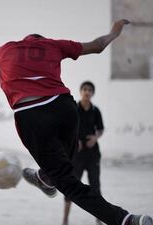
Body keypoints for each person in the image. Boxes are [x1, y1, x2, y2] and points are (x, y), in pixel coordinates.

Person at [0, 19, 153, 225]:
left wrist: (4, 67)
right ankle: (46, 177)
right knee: (65, 161)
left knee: (68, 183)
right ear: (41, 40)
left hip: (31, 113)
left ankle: (125, 220)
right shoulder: (53, 45)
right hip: (64, 107)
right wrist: (114, 32)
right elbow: (97, 46)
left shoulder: (5, 49)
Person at [62, 81, 104, 225]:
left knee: (95, 187)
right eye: (85, 89)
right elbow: (66, 127)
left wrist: (95, 137)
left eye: (90, 90)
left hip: (93, 155)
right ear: (80, 91)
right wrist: (74, 141)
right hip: (76, 155)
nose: (87, 92)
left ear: (92, 93)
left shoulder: (95, 110)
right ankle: (65, 219)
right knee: (71, 186)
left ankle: (99, 218)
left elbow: (101, 129)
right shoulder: (74, 108)